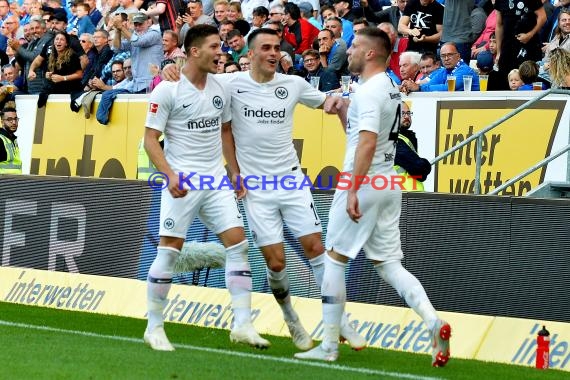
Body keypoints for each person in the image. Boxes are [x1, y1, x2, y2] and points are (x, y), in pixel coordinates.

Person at [294, 27, 450, 367]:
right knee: (390, 264)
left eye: (353, 46)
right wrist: (341, 112)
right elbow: (360, 135)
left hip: (362, 182)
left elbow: (365, 142)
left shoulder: (369, 92)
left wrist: (352, 189)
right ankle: (433, 321)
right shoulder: (390, 87)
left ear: (369, 54)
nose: (347, 50)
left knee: (334, 259)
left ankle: (330, 345)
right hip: (386, 182)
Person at [142, 24, 269, 351]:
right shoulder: (166, 90)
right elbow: (149, 140)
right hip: (182, 179)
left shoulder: (220, 86)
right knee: (169, 250)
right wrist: (169, 175)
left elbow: (225, 131)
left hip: (214, 180)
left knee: (238, 244)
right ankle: (154, 327)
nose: (220, 52)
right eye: (214, 47)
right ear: (194, 51)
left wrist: (234, 171)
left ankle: (242, 324)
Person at [494, 0, 546, 90]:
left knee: (529, 80)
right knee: (506, 82)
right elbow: (499, 25)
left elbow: (542, 17)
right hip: (508, 47)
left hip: (528, 46)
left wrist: (530, 34)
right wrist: (498, 52)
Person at [394, 102, 431, 191]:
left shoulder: (405, 138)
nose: (406, 116)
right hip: (403, 197)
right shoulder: (394, 140)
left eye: (408, 113)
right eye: (402, 113)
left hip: (408, 197)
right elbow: (419, 169)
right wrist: (426, 164)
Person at [0, 104, 21, 174]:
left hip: (14, 182)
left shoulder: (12, 139)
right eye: (9, 119)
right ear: (2, 122)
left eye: (15, 119)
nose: (14, 122)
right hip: (4, 183)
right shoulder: (1, 140)